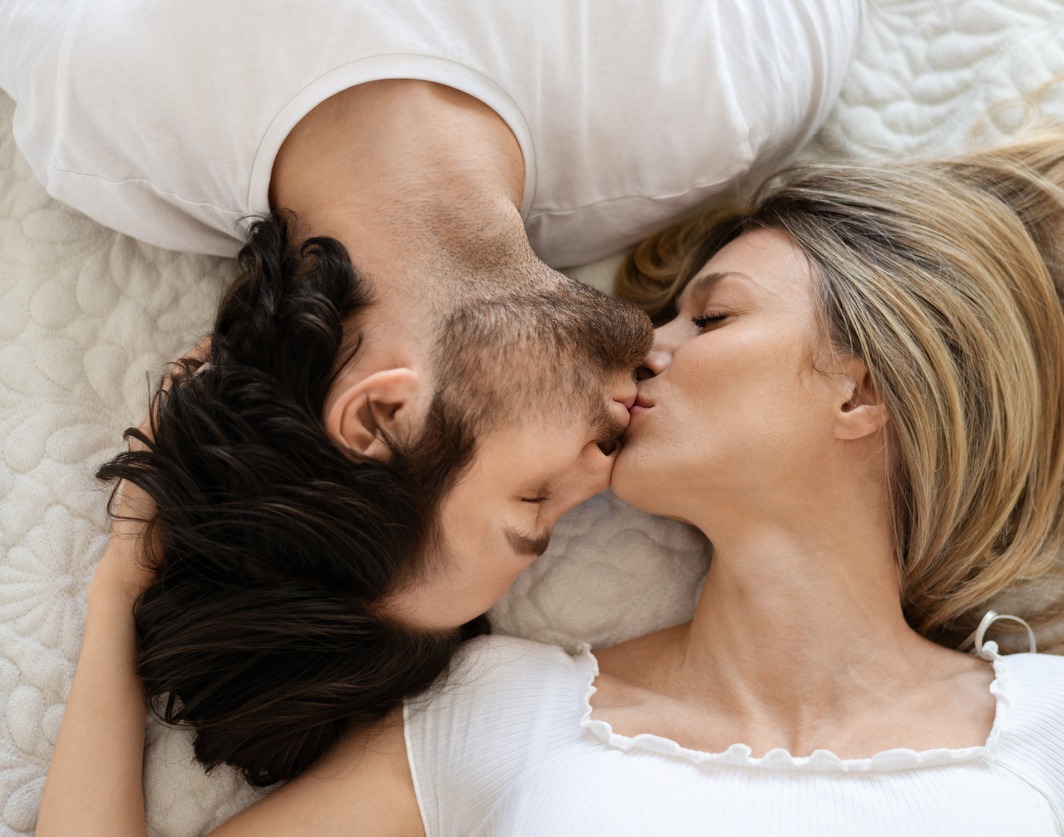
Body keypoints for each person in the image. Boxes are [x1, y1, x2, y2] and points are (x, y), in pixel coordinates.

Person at [39, 108, 1064, 834]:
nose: (643, 346)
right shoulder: (507, 714)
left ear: (863, 389)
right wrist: (117, 592)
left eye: (709, 318)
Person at [0, 0, 864, 786]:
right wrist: (119, 579)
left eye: (532, 500)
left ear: (380, 411)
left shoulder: (100, 117)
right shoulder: (721, 94)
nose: (604, 476)